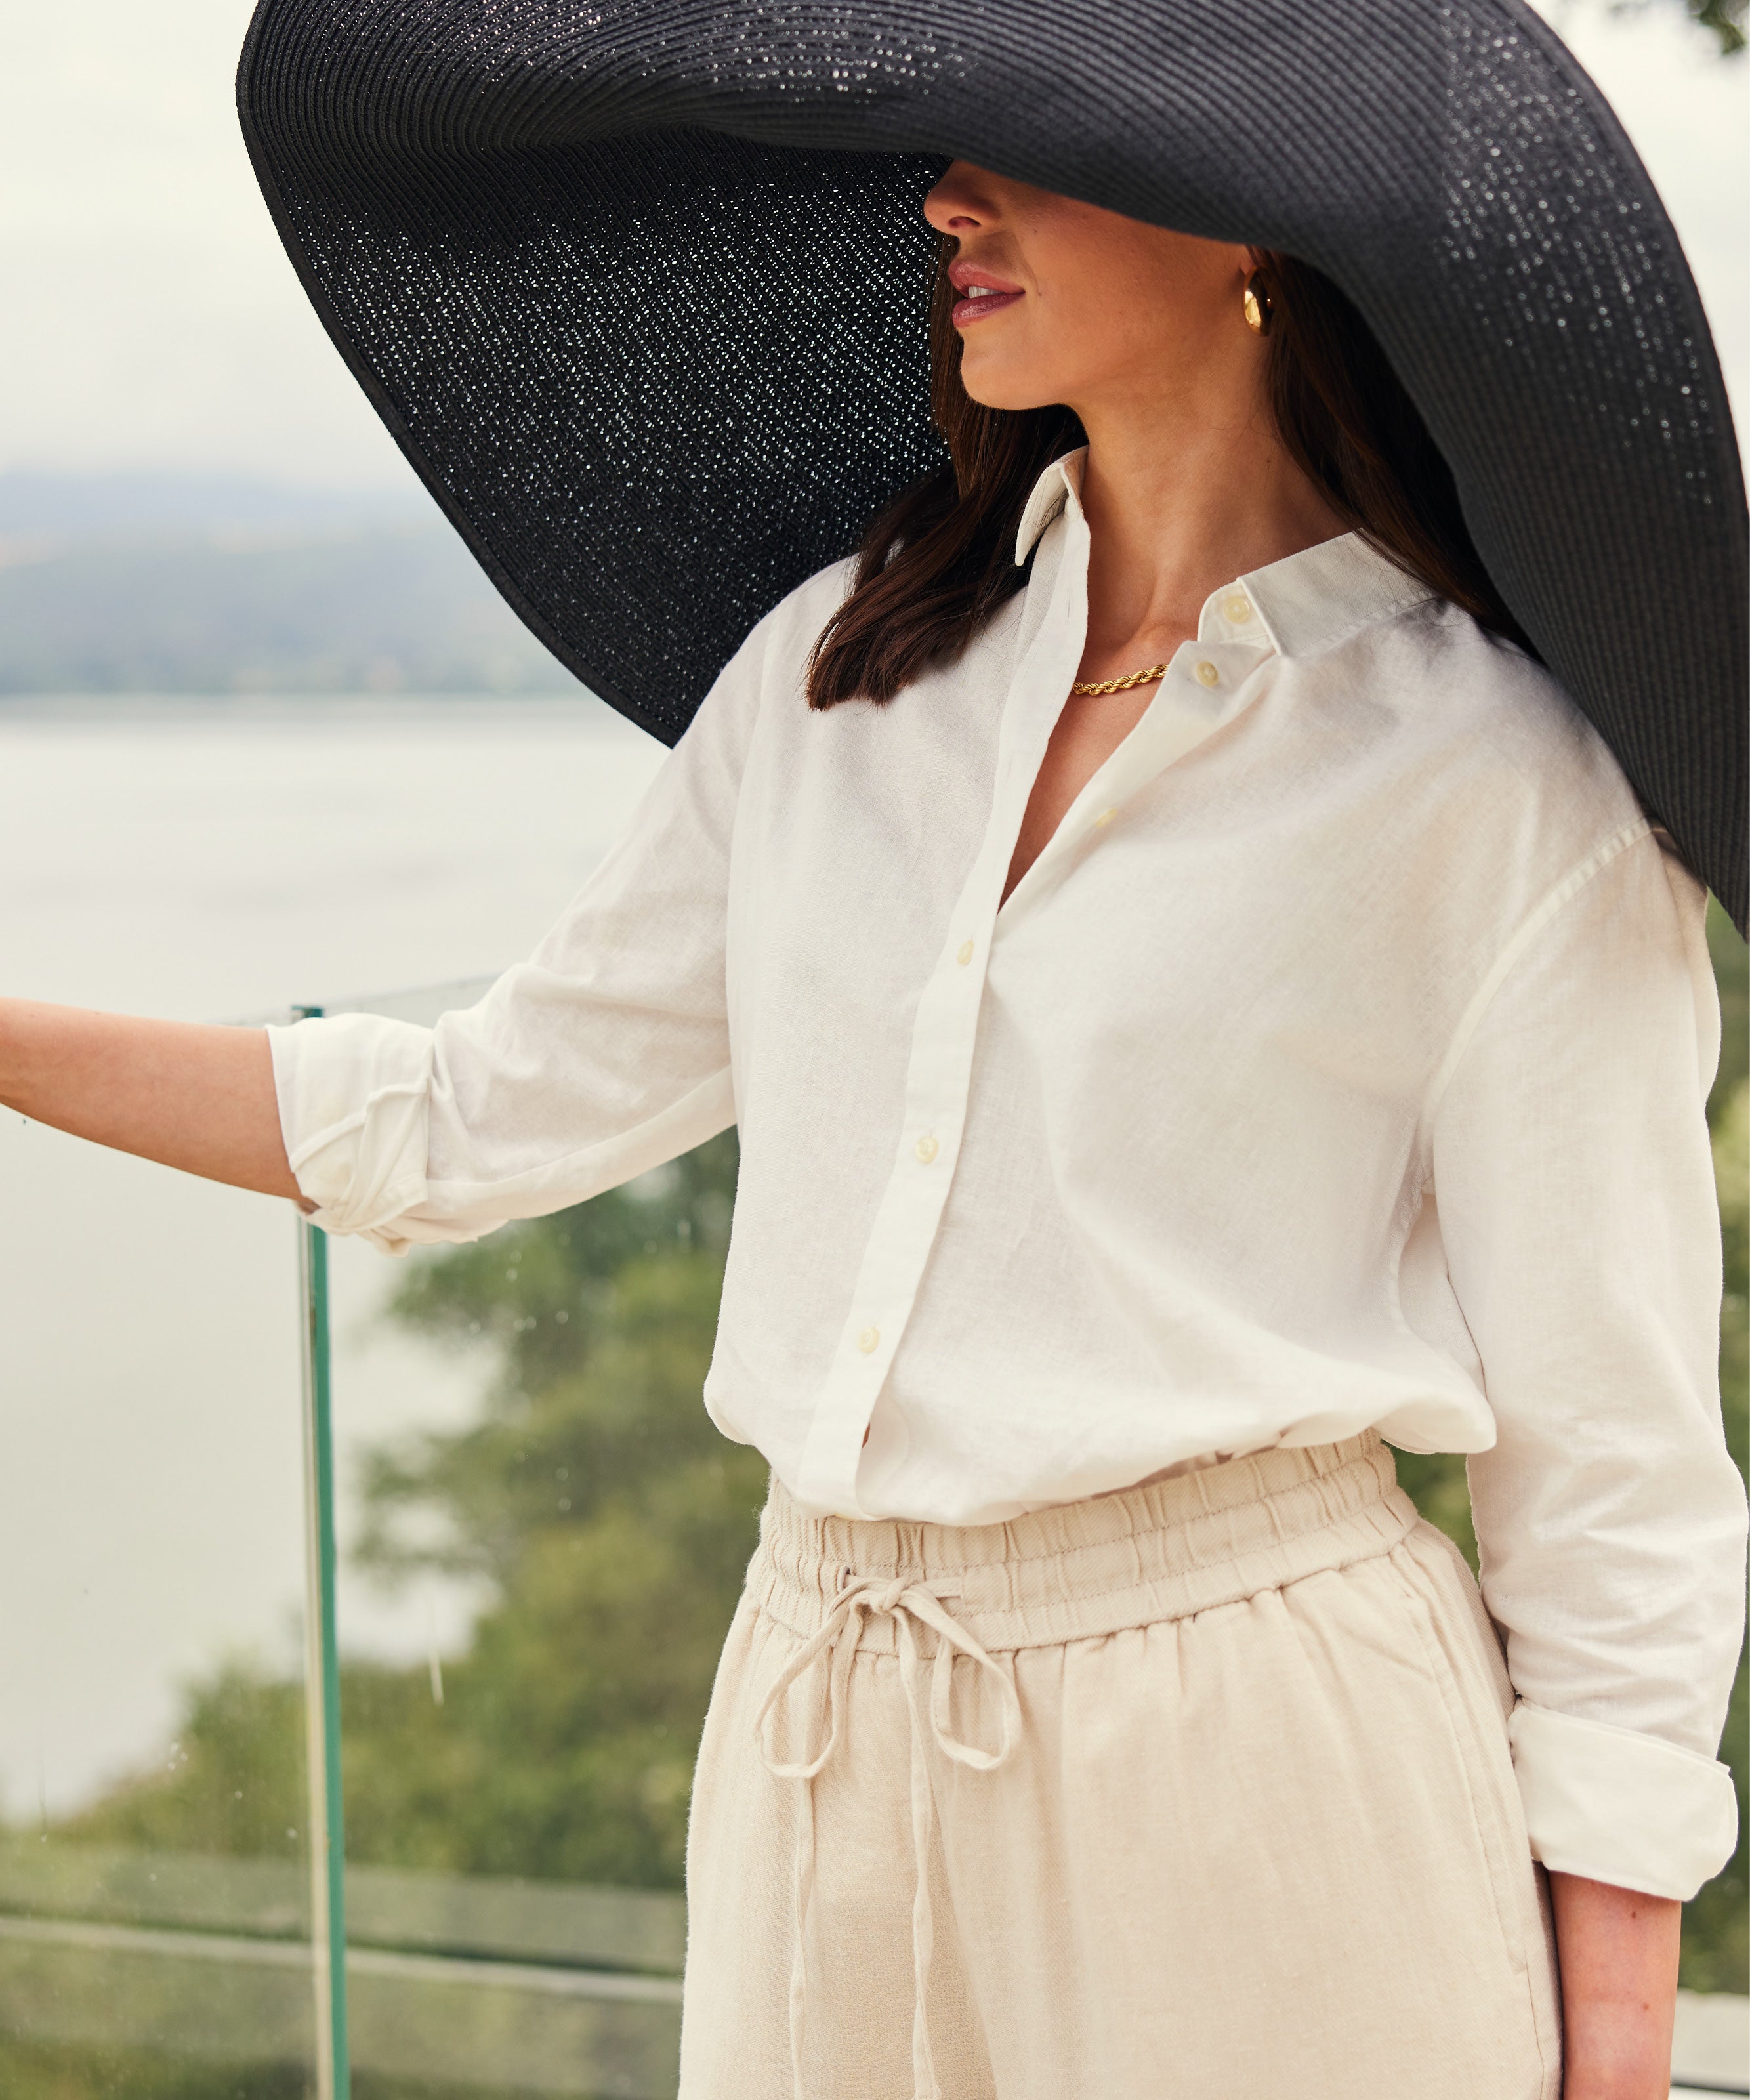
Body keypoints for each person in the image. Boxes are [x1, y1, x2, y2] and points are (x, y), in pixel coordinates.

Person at [5, 157, 1743, 2096]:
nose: (947, 206)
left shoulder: (1495, 776)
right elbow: (465, 1118)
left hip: (1259, 1760)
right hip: (817, 1720)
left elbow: (1614, 1471)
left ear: (1247, 209)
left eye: (1033, 148)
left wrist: (1613, 2055)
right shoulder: (840, 670)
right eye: (948, 151)